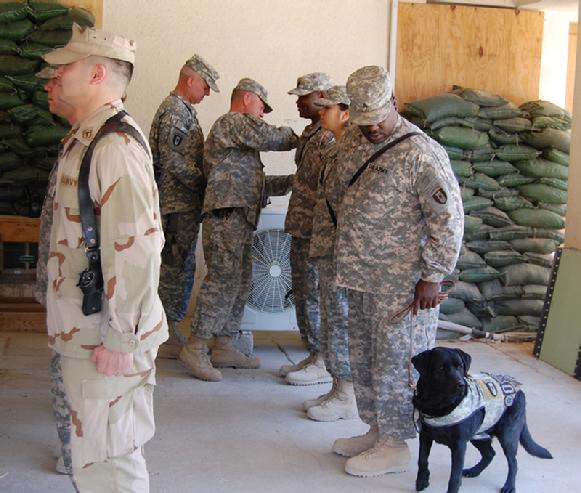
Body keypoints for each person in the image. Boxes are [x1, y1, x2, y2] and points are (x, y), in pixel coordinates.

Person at [42, 24, 167, 492]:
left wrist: (122, 339)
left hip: (106, 336)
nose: (53, 76)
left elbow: (136, 248)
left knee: (110, 463)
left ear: (96, 73)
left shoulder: (113, 145)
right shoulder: (89, 137)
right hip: (87, 329)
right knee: (93, 455)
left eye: (65, 66)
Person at [331, 66, 463, 477]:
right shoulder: (354, 139)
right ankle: (377, 429)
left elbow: (449, 219)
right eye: (363, 121)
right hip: (361, 276)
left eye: (377, 120)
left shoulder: (421, 153)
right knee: (366, 360)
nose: (371, 130)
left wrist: (433, 275)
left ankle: (396, 443)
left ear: (393, 102)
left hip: (402, 286)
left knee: (395, 364)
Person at [179, 78, 298, 382]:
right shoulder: (233, 122)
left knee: (240, 281)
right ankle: (196, 345)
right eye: (261, 106)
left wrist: (292, 182)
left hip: (240, 217)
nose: (262, 113)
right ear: (247, 99)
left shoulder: (239, 143)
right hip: (226, 217)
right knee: (222, 281)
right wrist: (302, 136)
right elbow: (276, 138)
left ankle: (225, 343)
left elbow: (254, 185)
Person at [149, 54, 219, 353]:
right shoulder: (176, 111)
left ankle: (168, 324)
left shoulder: (183, 110)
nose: (207, 93)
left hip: (181, 203)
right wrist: (207, 183)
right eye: (205, 86)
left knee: (180, 265)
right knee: (174, 268)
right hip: (175, 204)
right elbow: (174, 162)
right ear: (190, 80)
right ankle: (164, 328)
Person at [34, 66, 78, 481]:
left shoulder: (107, 144)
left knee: (72, 372)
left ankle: (77, 452)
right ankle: (73, 448)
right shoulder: (75, 141)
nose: (49, 87)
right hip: (61, 281)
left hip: (80, 292)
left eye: (57, 78)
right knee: (63, 370)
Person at [305, 85, 357, 421]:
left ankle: (347, 395)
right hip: (329, 247)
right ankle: (338, 388)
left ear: (346, 112)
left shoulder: (352, 150)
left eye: (328, 108)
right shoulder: (336, 147)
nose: (321, 112)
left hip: (343, 250)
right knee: (331, 318)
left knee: (341, 319)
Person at [280, 72, 335, 386]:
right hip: (301, 227)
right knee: (303, 293)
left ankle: (324, 359)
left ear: (322, 95)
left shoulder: (330, 136)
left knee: (316, 294)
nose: (298, 102)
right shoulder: (312, 132)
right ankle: (314, 352)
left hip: (317, 231)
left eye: (303, 96)